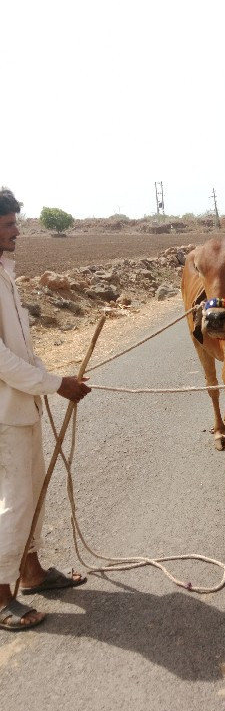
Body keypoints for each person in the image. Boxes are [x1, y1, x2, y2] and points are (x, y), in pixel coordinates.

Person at [0, 188, 91, 631]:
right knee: (14, 502)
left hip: (22, 404)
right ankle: (1, 597)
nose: (17, 230)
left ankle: (31, 573)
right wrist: (57, 385)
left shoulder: (5, 274)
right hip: (4, 414)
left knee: (32, 492)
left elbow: (21, 347)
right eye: (8, 224)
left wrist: (52, 381)